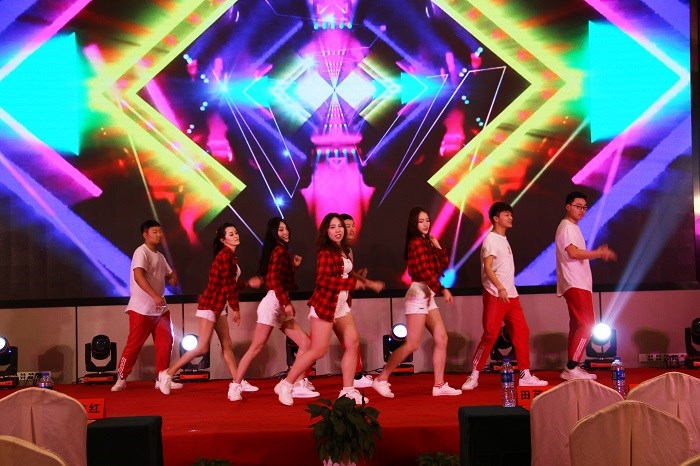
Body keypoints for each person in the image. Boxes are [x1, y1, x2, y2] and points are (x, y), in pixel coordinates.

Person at [274, 213, 384, 406]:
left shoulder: (343, 250)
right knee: (318, 350)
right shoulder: (326, 252)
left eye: (340, 226)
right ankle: (287, 384)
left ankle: (348, 391)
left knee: (352, 342)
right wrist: (351, 284)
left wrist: (367, 282)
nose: (338, 230)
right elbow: (324, 281)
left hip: (341, 306)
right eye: (332, 227)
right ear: (326, 231)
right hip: (325, 305)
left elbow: (348, 274)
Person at [157, 223, 262, 399]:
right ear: (223, 240)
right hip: (211, 305)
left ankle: (238, 380)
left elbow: (229, 284)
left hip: (219, 305)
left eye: (236, 232)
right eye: (231, 234)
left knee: (226, 344)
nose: (236, 235)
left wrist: (247, 284)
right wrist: (235, 308)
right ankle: (167, 374)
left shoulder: (231, 257)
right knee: (202, 347)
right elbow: (228, 286)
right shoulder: (225, 257)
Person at [371, 207, 462, 398]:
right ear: (414, 224)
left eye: (427, 220)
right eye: (421, 221)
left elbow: (442, 265)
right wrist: (442, 289)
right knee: (412, 344)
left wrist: (437, 245)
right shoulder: (416, 243)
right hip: (418, 293)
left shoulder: (426, 242)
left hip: (427, 294)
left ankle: (439, 385)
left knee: (442, 338)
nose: (426, 224)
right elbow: (424, 272)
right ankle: (381, 378)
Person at [461, 202, 548, 390]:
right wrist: (500, 288)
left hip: (511, 296)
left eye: (510, 214)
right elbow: (487, 267)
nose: (510, 217)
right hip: (495, 294)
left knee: (522, 333)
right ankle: (473, 375)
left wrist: (506, 289)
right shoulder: (491, 239)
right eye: (506, 214)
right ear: (496, 218)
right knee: (490, 334)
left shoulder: (503, 239)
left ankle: (525, 375)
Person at [229, 217, 318, 400]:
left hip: (279, 303)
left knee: (306, 343)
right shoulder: (279, 251)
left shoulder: (282, 251)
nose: (285, 232)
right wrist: (286, 303)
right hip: (273, 304)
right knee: (257, 347)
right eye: (280, 230)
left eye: (286, 228)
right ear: (273, 233)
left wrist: (293, 267)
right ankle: (235, 386)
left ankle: (296, 383)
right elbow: (274, 281)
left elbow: (282, 281)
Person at [112, 220, 181, 392]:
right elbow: (138, 276)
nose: (159, 234)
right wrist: (155, 296)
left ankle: (162, 379)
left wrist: (172, 277)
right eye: (155, 232)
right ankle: (121, 378)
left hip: (160, 311)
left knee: (166, 343)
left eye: (160, 231)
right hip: (141, 309)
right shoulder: (141, 252)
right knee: (134, 346)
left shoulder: (160, 256)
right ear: (145, 234)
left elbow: (169, 273)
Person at [556, 191, 616, 380]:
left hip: (577, 282)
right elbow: (573, 253)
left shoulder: (572, 227)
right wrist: (599, 253)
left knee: (577, 325)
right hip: (575, 282)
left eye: (584, 207)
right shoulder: (567, 227)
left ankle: (572, 366)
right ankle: (571, 367)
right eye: (578, 206)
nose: (582, 210)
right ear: (568, 206)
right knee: (587, 324)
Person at [340, 213, 373, 389]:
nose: (351, 229)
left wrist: (361, 278)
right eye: (347, 226)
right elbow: (333, 278)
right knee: (315, 346)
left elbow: (349, 274)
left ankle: (356, 375)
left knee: (352, 339)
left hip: (342, 301)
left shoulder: (348, 249)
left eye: (353, 225)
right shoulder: (335, 250)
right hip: (330, 302)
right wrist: (368, 283)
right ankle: (294, 380)